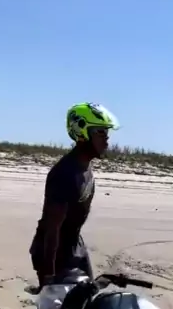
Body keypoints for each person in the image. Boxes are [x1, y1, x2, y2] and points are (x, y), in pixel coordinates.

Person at [30, 102, 120, 288]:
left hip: (76, 246)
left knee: (89, 298)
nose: (107, 140)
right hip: (54, 253)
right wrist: (49, 277)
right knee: (62, 305)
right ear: (82, 133)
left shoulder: (85, 167)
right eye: (100, 132)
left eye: (107, 133)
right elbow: (52, 229)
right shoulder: (64, 173)